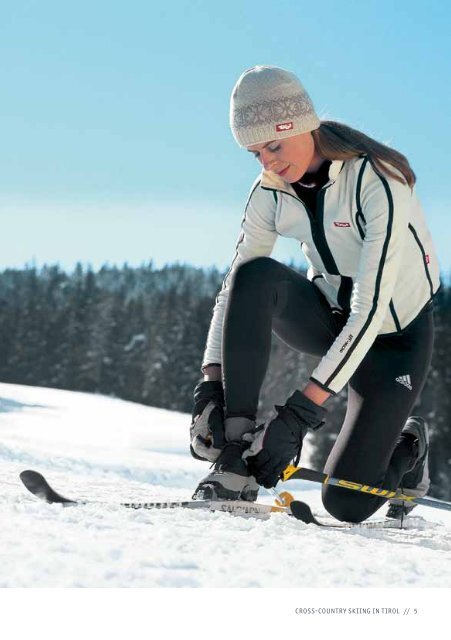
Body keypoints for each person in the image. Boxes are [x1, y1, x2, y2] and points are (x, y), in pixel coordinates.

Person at [189, 65, 440, 523]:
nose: (266, 162)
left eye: (274, 145)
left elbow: (369, 310)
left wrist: (299, 415)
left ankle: (408, 448)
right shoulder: (270, 190)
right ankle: (237, 455)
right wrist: (209, 384)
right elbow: (234, 288)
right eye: (255, 152)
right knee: (254, 276)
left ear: (303, 126)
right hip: (330, 319)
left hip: (392, 339)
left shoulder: (379, 180)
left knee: (347, 502)